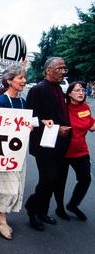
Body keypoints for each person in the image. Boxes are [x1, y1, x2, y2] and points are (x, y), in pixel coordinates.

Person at [24, 57, 72, 231]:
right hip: (44, 145)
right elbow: (33, 119)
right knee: (48, 179)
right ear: (48, 70)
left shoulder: (59, 89)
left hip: (60, 144)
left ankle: (42, 212)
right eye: (59, 69)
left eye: (64, 69)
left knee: (53, 181)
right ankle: (32, 209)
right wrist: (56, 128)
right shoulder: (38, 90)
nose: (62, 72)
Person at [0, 64, 29, 240]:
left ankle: (2, 214)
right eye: (20, 77)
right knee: (6, 187)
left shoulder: (23, 102)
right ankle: (1, 218)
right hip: (4, 151)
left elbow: (28, 123)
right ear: (9, 81)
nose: (24, 81)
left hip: (20, 150)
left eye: (24, 77)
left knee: (17, 185)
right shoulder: (0, 102)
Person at [54, 82, 95, 220]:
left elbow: (91, 125)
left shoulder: (85, 107)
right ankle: (60, 208)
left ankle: (73, 204)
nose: (81, 93)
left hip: (81, 151)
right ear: (70, 93)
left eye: (83, 90)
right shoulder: (63, 108)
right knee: (60, 182)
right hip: (63, 152)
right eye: (77, 90)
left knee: (85, 179)